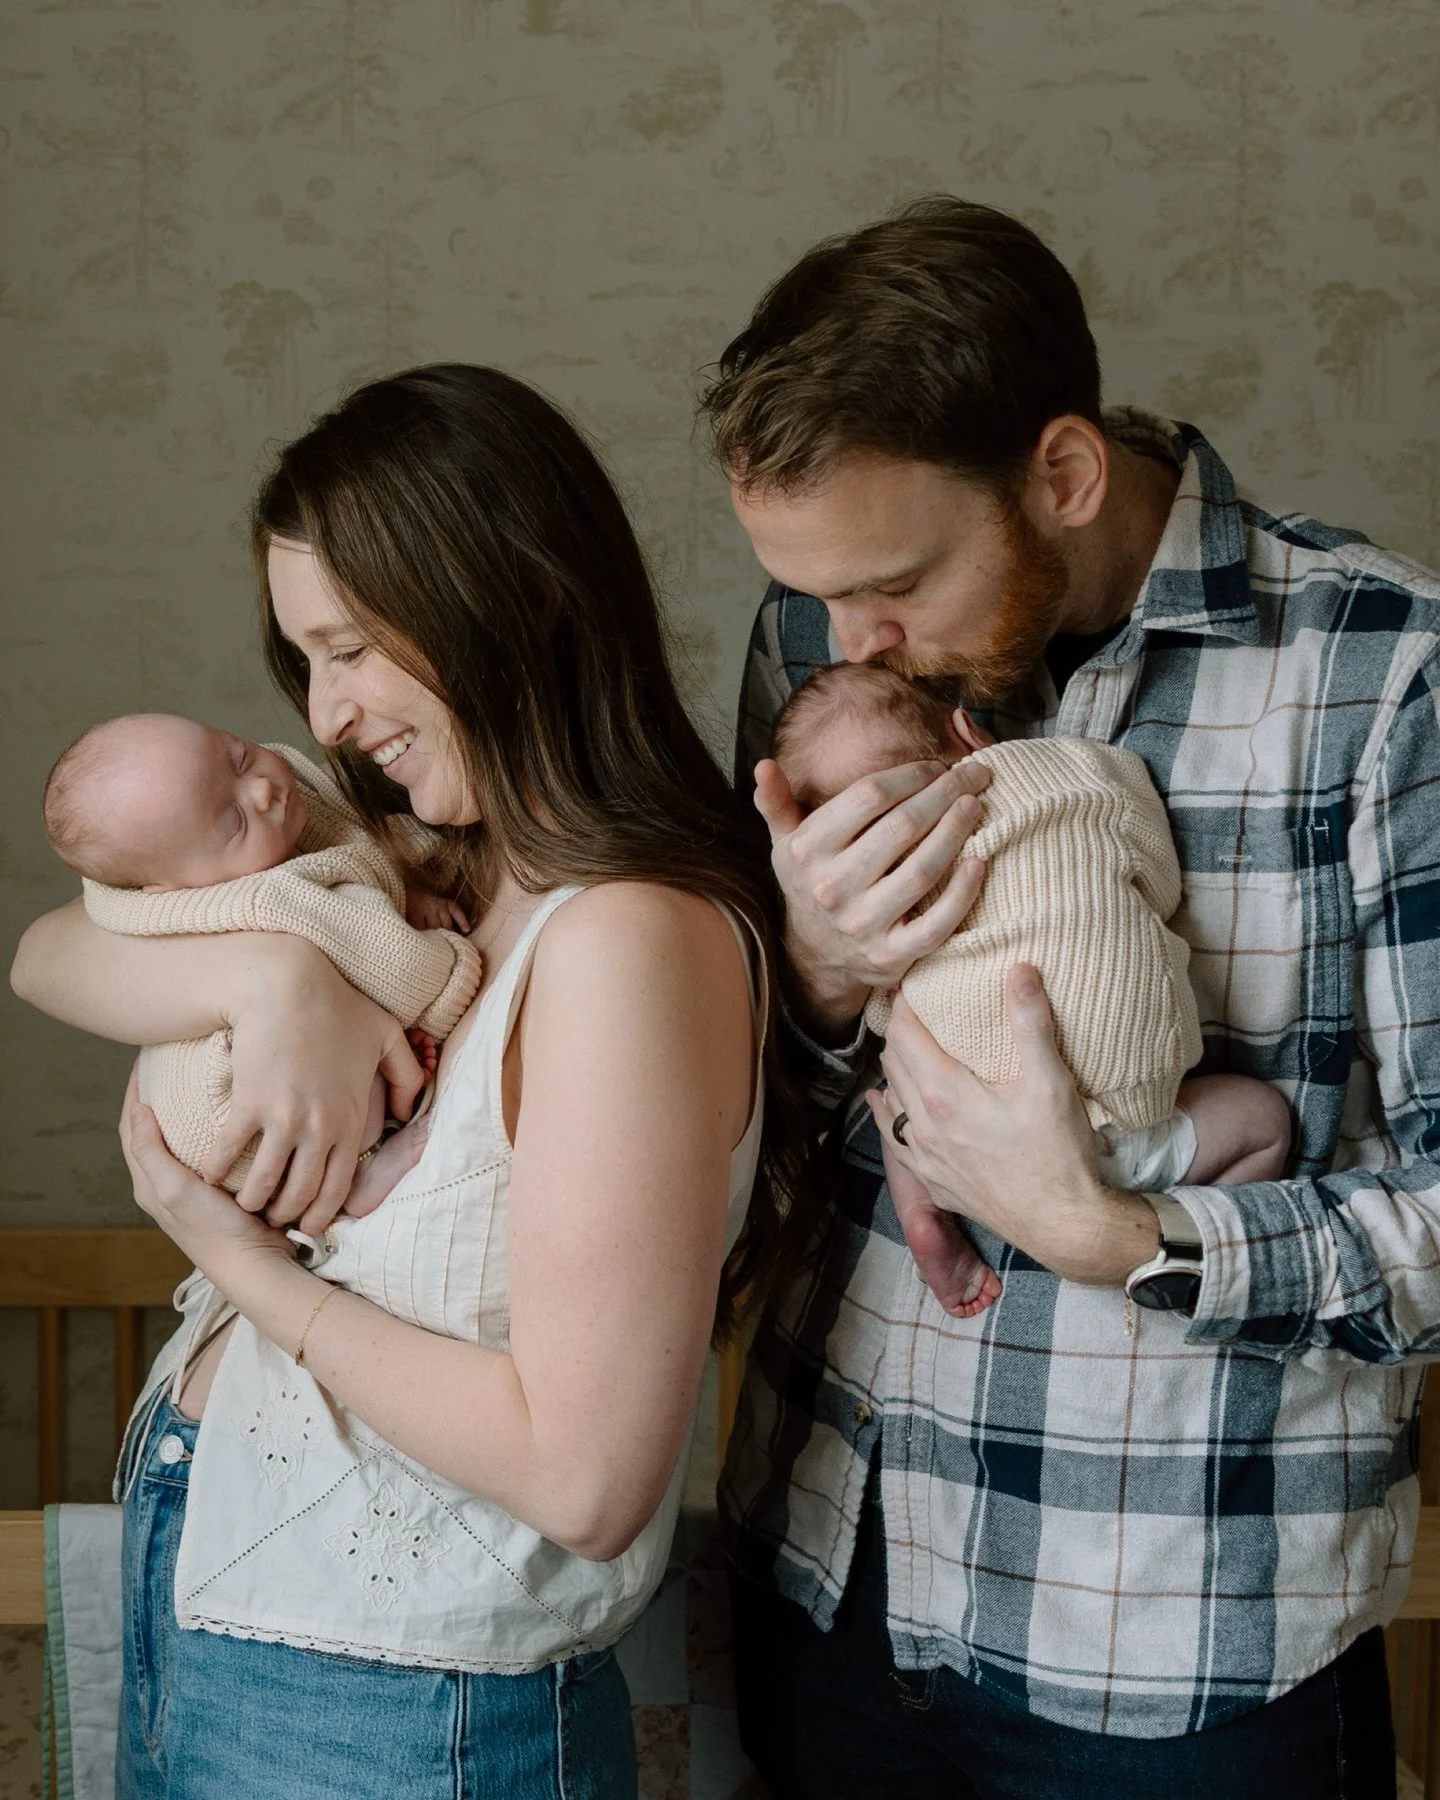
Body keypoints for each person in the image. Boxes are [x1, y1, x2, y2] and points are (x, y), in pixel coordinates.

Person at [701, 197, 1440, 1798]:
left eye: (893, 580)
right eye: (811, 594)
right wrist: (818, 974)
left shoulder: (1390, 679)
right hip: (832, 1570)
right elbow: (718, 1101)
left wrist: (1128, 1237)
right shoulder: (821, 647)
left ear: (1064, 474)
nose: (847, 638)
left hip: (1175, 1655)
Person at [10, 364, 812, 1800]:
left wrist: (229, 1258)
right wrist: (269, 979)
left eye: (350, 650)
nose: (324, 716)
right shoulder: (435, 868)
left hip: (388, 1706)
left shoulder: (627, 938)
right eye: (305, 662)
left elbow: (585, 1477)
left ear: (514, 594)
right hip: (224, 1603)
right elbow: (54, 949)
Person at [770, 661, 1291, 1316]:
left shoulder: (877, 912)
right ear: (966, 733)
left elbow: (880, 1011)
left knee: (897, 1103)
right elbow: (1158, 880)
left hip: (961, 1150)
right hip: (1134, 1120)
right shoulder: (1075, 776)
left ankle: (927, 1221)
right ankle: (1162, 1232)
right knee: (1264, 1121)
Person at [41, 712, 480, 1205]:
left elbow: (364, 840)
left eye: (239, 754)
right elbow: (404, 969)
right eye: (233, 820)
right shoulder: (266, 900)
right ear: (173, 886)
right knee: (311, 1071)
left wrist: (412, 886)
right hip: (221, 1112)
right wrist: (455, 958)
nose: (262, 790)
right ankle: (358, 1178)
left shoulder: (286, 797)